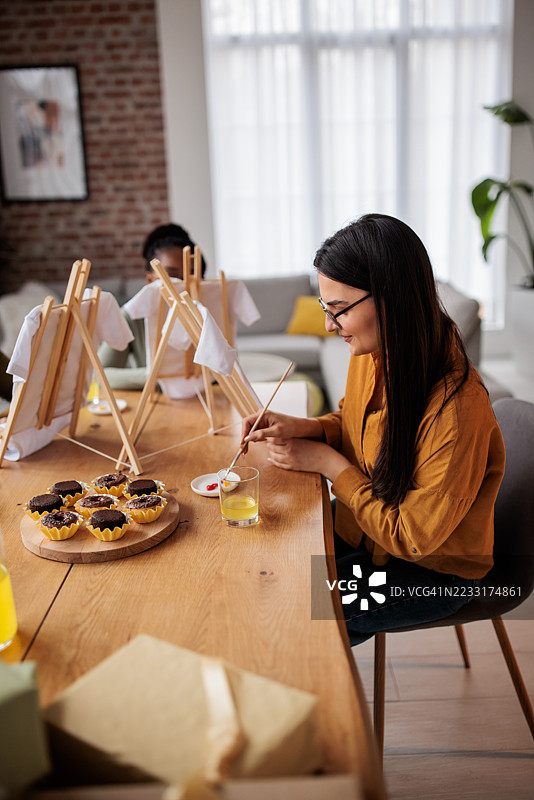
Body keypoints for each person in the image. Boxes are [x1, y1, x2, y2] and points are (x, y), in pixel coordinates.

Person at [241, 213, 506, 645]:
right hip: (367, 531)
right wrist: (307, 427)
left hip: (430, 571)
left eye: (339, 310)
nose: (329, 325)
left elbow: (411, 538)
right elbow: (356, 421)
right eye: (326, 309)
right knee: (271, 563)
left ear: (391, 299)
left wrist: (329, 464)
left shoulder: (457, 411)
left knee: (296, 608)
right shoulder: (374, 350)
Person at [99, 223, 207, 390]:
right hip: (154, 399)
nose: (182, 285)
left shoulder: (208, 309)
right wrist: (159, 375)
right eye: (171, 276)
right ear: (150, 280)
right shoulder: (132, 315)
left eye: (191, 276)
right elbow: (99, 375)